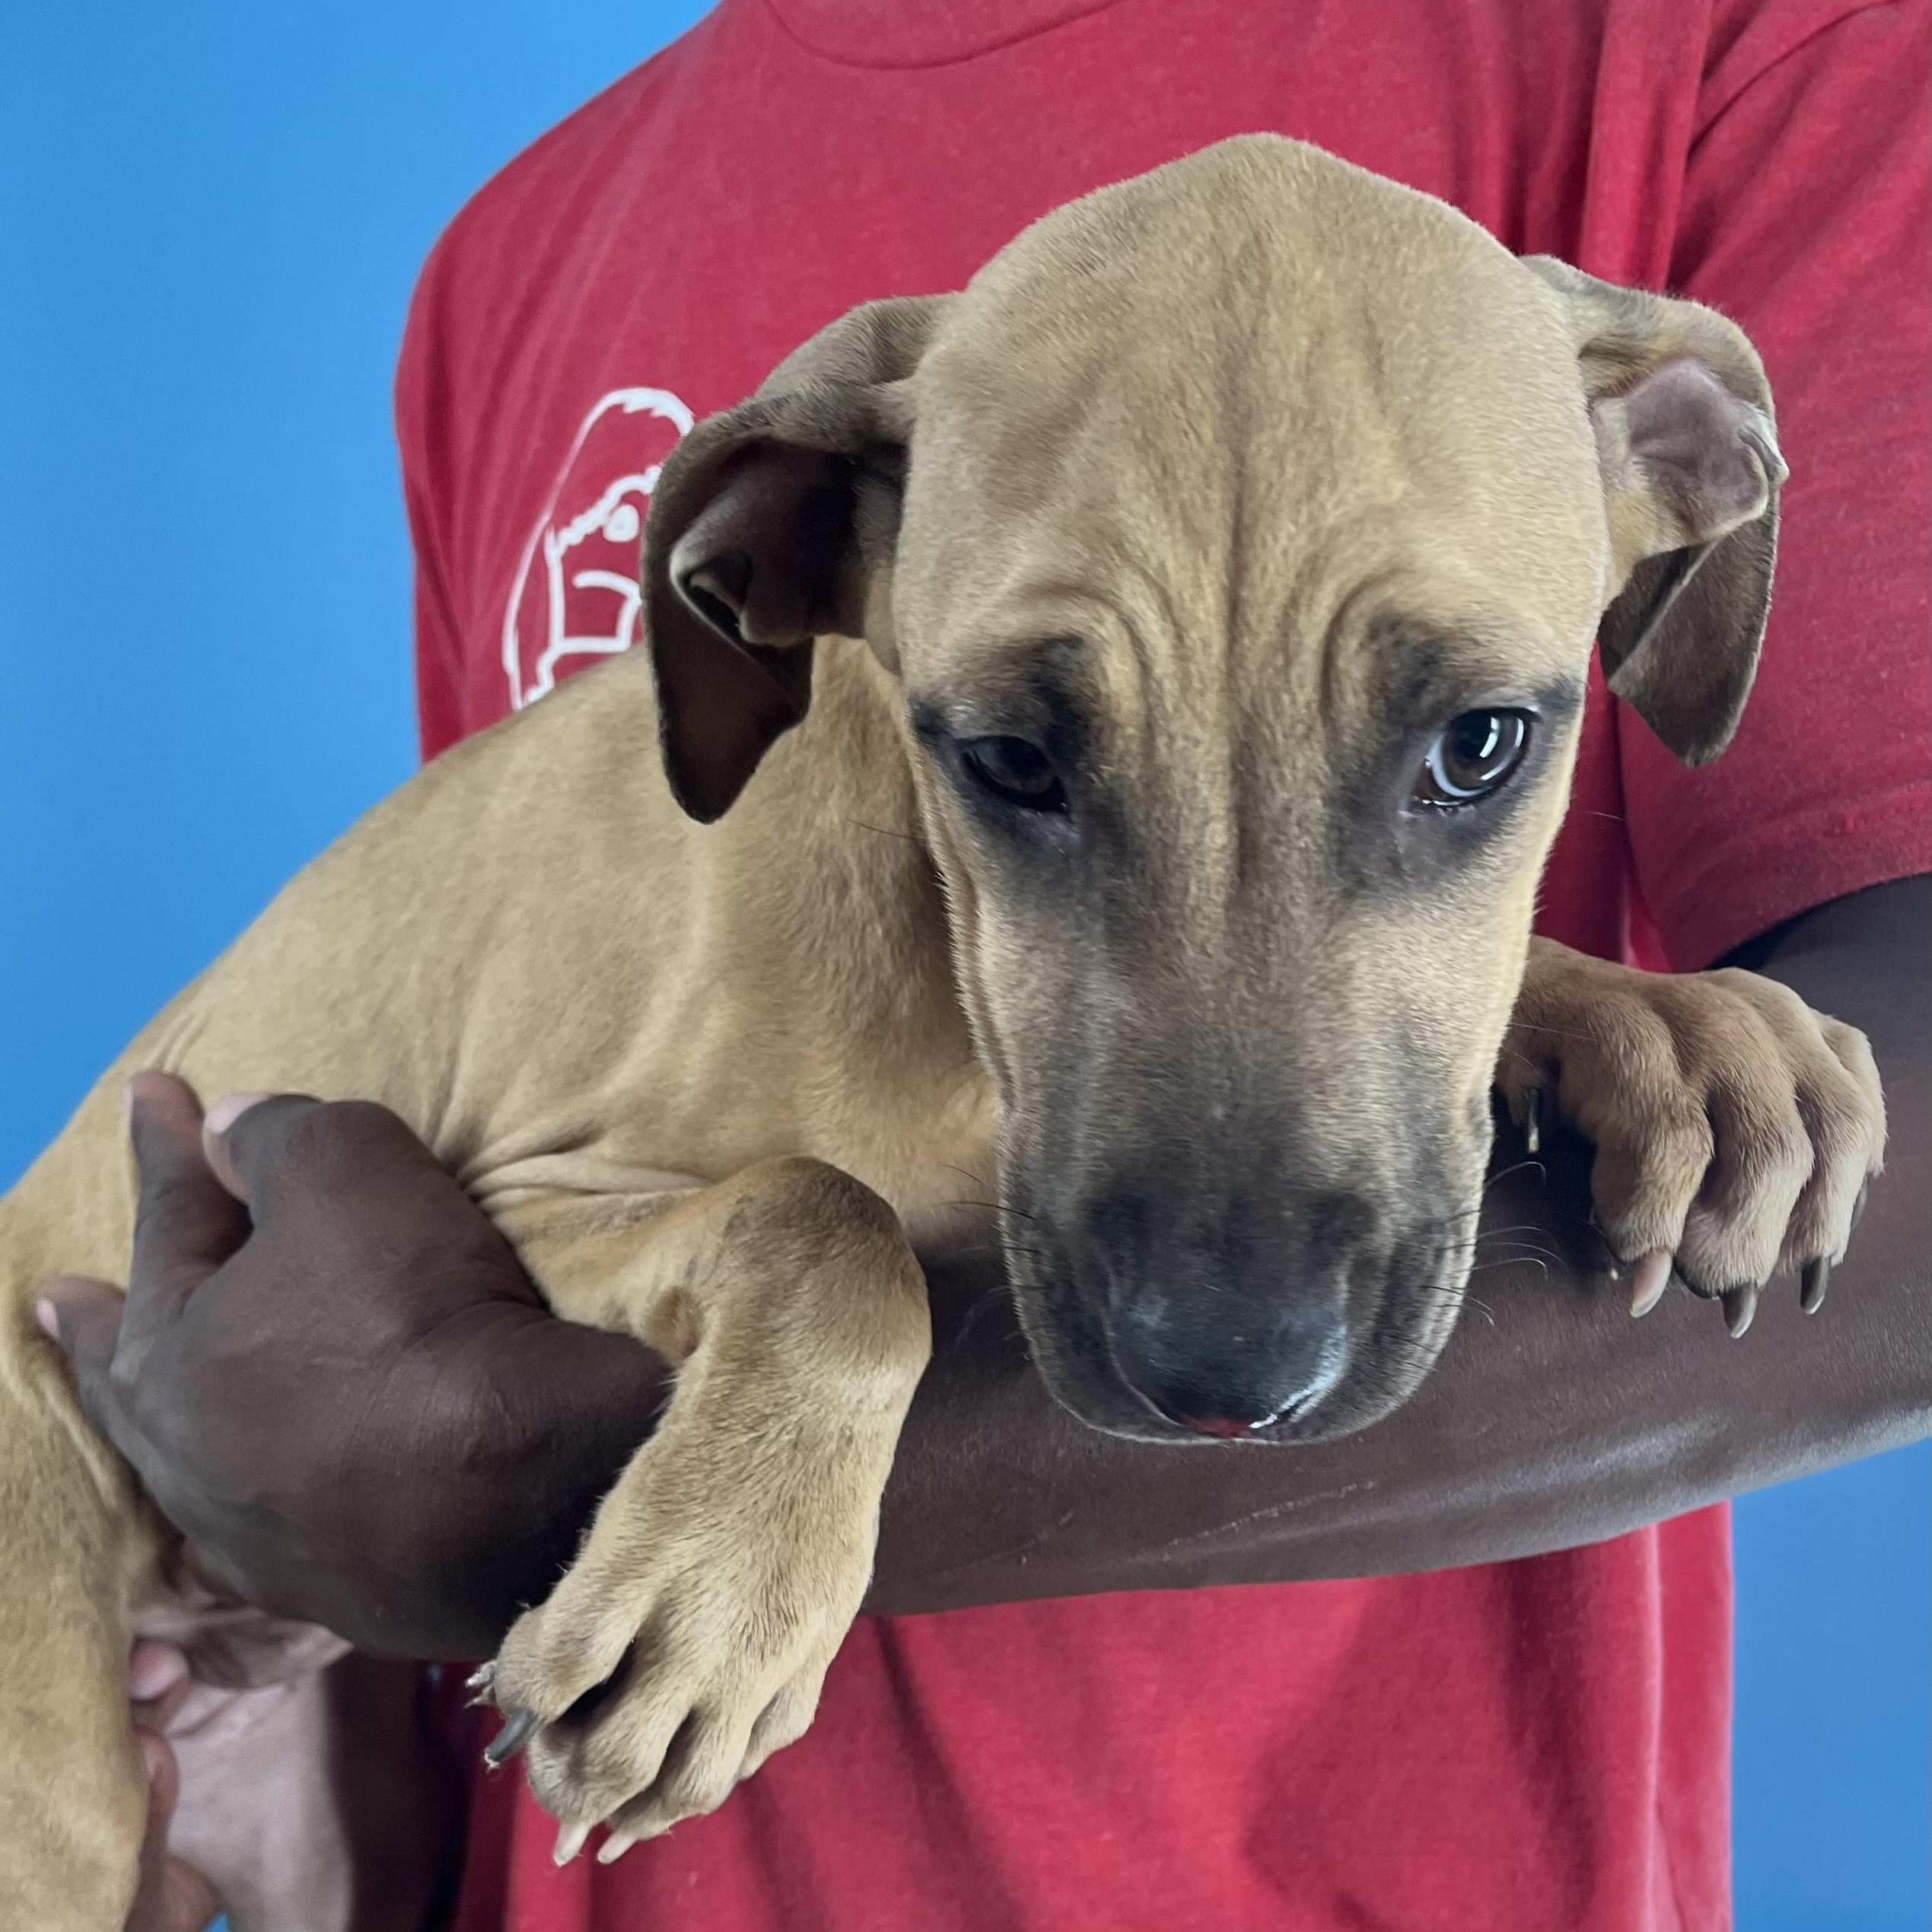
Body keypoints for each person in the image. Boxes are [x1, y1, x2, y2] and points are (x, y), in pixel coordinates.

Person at [40, 0, 1930, 1927]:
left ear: (1682, 471)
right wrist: (334, 1776)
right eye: (1025, 757)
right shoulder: (512, 258)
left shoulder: (1716, 50)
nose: (1229, 1313)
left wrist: (522, 1493)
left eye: (1470, 749)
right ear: (778, 566)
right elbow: (473, 1222)